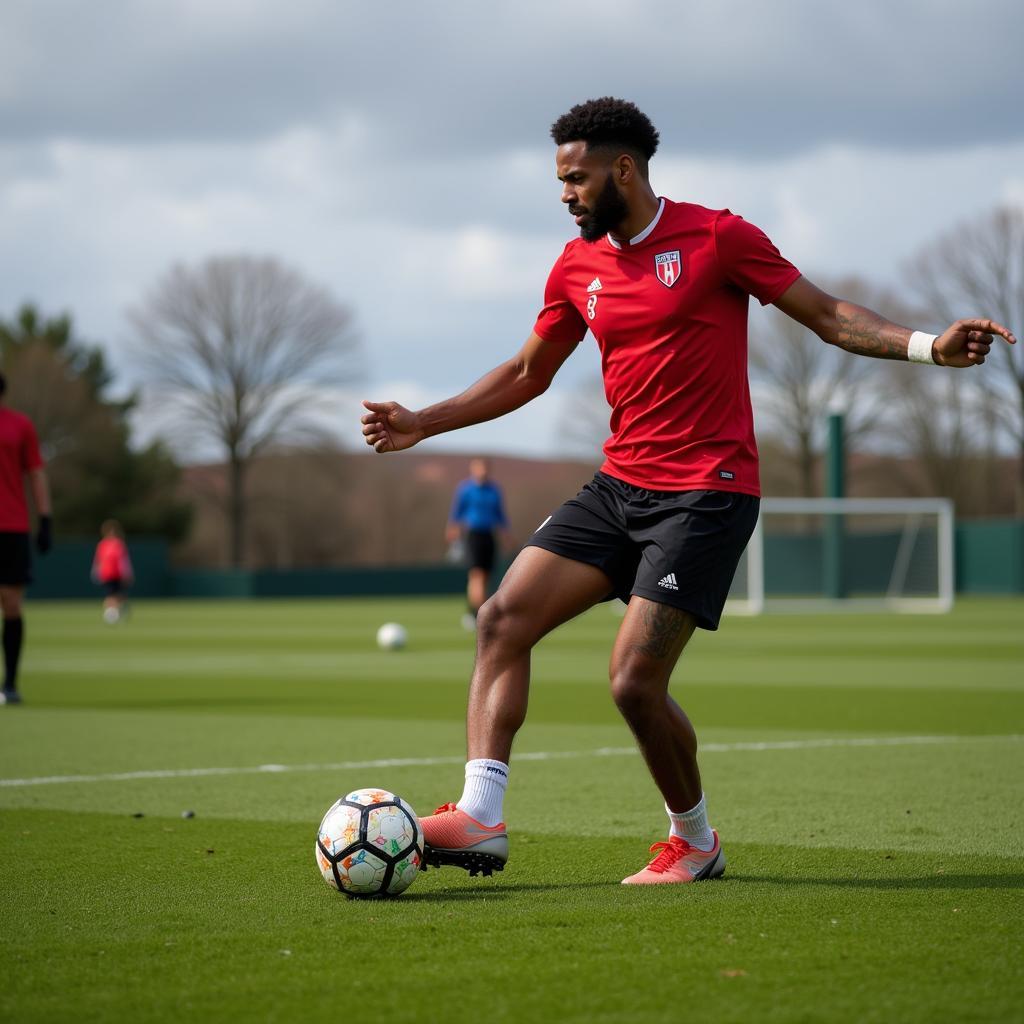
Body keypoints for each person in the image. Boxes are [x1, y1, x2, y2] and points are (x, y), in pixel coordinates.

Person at [361, 97, 1015, 885]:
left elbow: (828, 315)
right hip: (619, 485)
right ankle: (480, 817)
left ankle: (695, 841)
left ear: (623, 170)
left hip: (708, 493)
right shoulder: (576, 268)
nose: (565, 194)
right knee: (501, 618)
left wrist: (928, 348)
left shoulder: (716, 237)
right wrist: (423, 423)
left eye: (576, 178)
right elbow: (529, 372)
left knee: (634, 682)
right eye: (560, 180)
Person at [0, 371, 52, 706]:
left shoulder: (19, 426)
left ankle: (10, 684)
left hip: (11, 525)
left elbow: (35, 473)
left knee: (12, 602)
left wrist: (45, 519)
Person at [446, 457, 508, 630]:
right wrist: (452, 529)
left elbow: (500, 514)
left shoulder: (494, 490)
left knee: (486, 578)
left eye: (485, 468)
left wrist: (506, 535)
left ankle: (471, 612)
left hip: (489, 535)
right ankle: (480, 616)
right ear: (473, 470)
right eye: (479, 468)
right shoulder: (465, 489)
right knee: (477, 576)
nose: (482, 471)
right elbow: (456, 512)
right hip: (473, 535)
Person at [92, 519, 133, 624]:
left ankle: (118, 610)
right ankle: (111, 615)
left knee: (118, 595)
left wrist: (127, 573)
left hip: (118, 574)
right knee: (110, 595)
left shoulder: (119, 544)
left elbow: (124, 561)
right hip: (107, 574)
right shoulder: (102, 545)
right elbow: (98, 560)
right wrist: (96, 572)